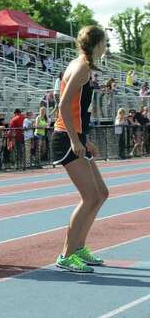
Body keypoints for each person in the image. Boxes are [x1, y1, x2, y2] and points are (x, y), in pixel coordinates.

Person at [50, 25, 109, 273]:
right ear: (96, 45)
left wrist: (84, 139)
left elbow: (76, 109)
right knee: (90, 197)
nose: (106, 47)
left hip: (76, 136)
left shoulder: (81, 64)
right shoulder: (82, 67)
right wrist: (76, 140)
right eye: (104, 43)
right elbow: (63, 105)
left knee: (102, 193)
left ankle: (79, 248)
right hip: (65, 138)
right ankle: (66, 254)